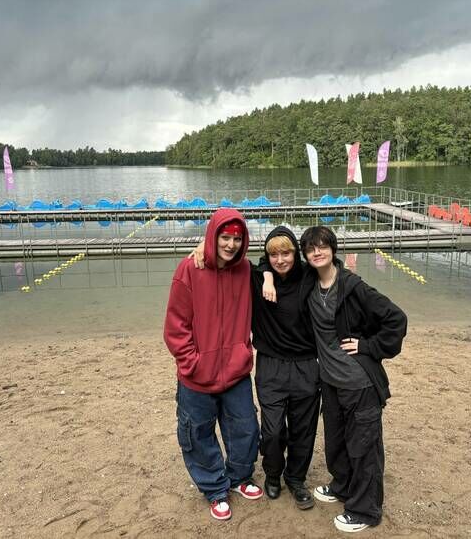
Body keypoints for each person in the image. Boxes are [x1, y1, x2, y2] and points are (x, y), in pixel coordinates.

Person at [192, 226, 321, 510]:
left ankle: (296, 479)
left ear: (296, 253)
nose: (280, 260)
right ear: (267, 257)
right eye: (273, 255)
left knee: (303, 429)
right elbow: (230, 258)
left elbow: (331, 265)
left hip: (306, 365)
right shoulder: (256, 278)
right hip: (271, 365)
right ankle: (273, 474)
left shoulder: (308, 276)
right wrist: (204, 246)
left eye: (286, 253)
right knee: (272, 431)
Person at [298, 225, 407, 533]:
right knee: (337, 442)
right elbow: (274, 262)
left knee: (364, 447)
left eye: (323, 246)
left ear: (333, 249)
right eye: (311, 248)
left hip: (359, 382)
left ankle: (365, 511)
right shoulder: (309, 282)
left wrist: (368, 346)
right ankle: (343, 486)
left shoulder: (352, 286)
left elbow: (396, 319)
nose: (317, 252)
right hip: (330, 381)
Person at [164, 208, 263, 522]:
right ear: (213, 236)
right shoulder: (189, 269)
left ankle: (239, 476)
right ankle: (216, 489)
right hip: (197, 375)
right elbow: (176, 325)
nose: (231, 244)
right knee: (198, 434)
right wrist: (191, 361)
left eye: (237, 238)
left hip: (236, 371)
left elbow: (276, 264)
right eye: (224, 237)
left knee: (245, 428)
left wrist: (243, 352)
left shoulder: (245, 269)